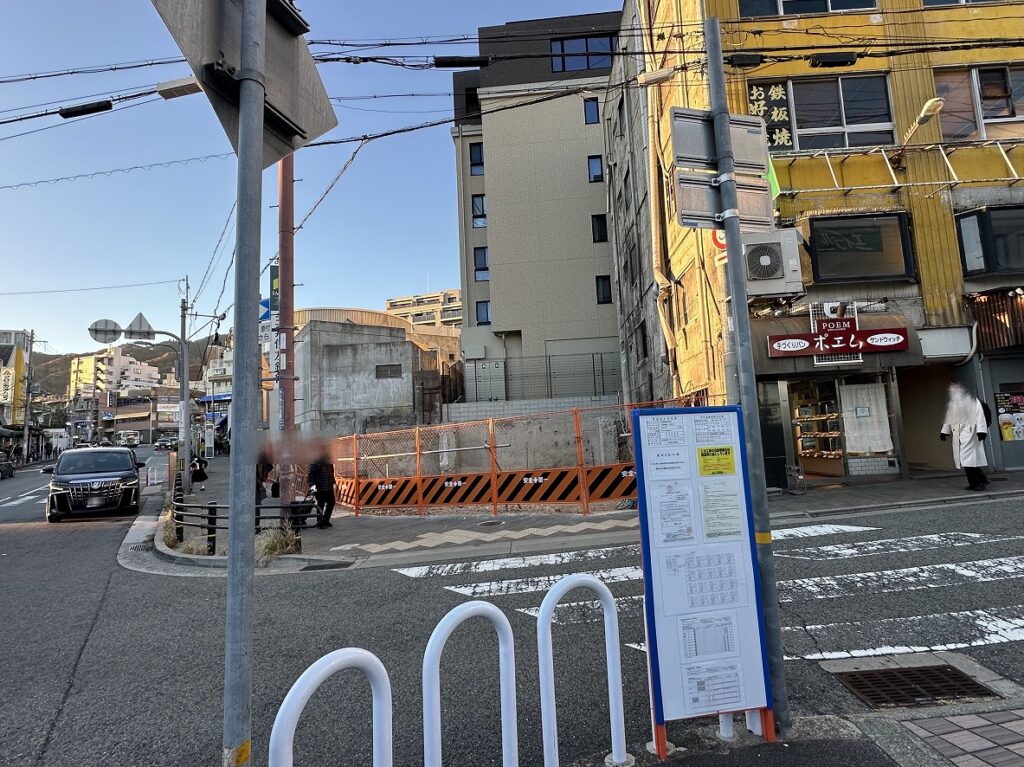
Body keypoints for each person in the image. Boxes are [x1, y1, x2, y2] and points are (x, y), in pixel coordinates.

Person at [940, 382, 990, 491]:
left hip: (971, 432)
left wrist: (981, 431)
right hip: (961, 433)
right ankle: (977, 481)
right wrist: (944, 431)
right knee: (967, 460)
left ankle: (979, 481)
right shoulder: (953, 403)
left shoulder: (972, 401)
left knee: (968, 459)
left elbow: (980, 416)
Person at [307, 452, 336, 529]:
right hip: (319, 487)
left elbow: (331, 472)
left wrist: (333, 482)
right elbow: (310, 473)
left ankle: (325, 520)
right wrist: (312, 485)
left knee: (332, 502)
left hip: (329, 486)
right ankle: (320, 523)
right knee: (321, 504)